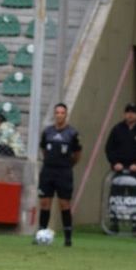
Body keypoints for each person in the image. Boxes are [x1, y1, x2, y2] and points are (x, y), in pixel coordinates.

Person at [37, 102, 81, 247]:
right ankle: (41, 234)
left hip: (64, 172)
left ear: (66, 115)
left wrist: (68, 164)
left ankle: (68, 237)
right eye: (57, 113)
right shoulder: (47, 132)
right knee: (44, 203)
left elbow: (77, 154)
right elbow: (44, 150)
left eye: (62, 113)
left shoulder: (72, 133)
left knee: (64, 204)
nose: (59, 115)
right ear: (54, 115)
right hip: (48, 171)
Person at [105, 103, 136, 174]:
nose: (130, 115)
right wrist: (115, 163)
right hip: (118, 170)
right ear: (124, 114)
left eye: (133, 112)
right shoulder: (117, 129)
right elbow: (109, 148)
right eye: (128, 112)